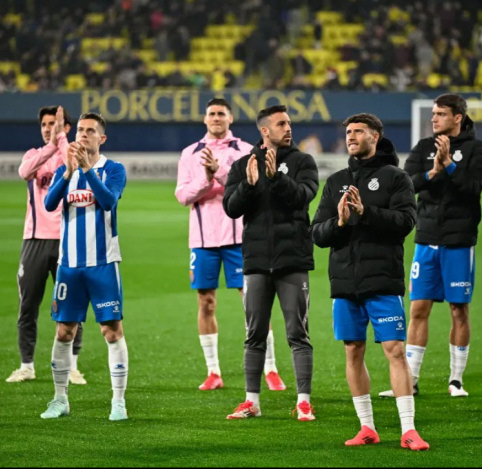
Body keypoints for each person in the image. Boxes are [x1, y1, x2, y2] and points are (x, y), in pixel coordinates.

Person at [310, 113, 429, 451]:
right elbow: (317, 233)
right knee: (353, 351)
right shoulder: (334, 182)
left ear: (375, 136)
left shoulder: (396, 178)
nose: (351, 136)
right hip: (345, 283)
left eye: (358, 131)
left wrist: (366, 213)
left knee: (395, 350)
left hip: (383, 281)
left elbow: (406, 222)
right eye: (348, 131)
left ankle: (409, 430)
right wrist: (341, 222)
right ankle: (367, 428)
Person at [380, 93, 482, 398]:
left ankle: (456, 380)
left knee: (458, 310)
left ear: (458, 117)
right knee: (418, 309)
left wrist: (451, 168)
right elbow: (407, 183)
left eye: (441, 114)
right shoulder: (423, 148)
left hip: (459, 240)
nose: (434, 118)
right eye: (433, 114)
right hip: (426, 237)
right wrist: (434, 171)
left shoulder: (476, 150)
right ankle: (411, 380)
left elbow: (473, 188)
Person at [175, 98, 286, 392]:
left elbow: (255, 188)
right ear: (204, 118)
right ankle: (213, 371)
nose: (216, 118)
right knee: (206, 302)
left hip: (240, 239)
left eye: (221, 113)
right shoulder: (189, 154)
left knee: (254, 304)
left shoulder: (246, 150)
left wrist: (220, 174)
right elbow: (183, 195)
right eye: (211, 113)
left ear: (230, 118)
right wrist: (206, 178)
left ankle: (271, 368)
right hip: (202, 240)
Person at [222, 105, 318, 420]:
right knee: (255, 333)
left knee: (297, 332)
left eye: (289, 122)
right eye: (281, 123)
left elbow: (304, 196)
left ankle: (303, 401)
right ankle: (252, 402)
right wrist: (249, 185)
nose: (288, 128)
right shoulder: (242, 165)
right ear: (265, 131)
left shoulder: (303, 162)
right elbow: (231, 209)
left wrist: (276, 178)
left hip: (293, 261)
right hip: (256, 262)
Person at [41, 113, 129, 421]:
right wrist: (67, 173)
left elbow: (108, 201)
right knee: (64, 331)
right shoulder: (65, 171)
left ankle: (118, 401)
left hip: (103, 264)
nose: (84, 134)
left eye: (90, 131)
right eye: (80, 130)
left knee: (111, 330)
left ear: (101, 138)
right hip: (70, 266)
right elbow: (49, 205)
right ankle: (59, 398)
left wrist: (87, 170)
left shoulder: (113, 170)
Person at [8, 106, 86, 386]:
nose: (47, 128)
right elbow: (24, 171)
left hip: (67, 241)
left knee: (72, 307)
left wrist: (61, 141)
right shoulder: (34, 155)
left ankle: (73, 366)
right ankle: (26, 365)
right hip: (35, 240)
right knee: (27, 305)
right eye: (44, 123)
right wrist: (52, 144)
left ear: (66, 127)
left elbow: (72, 167)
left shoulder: (75, 153)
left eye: (55, 123)